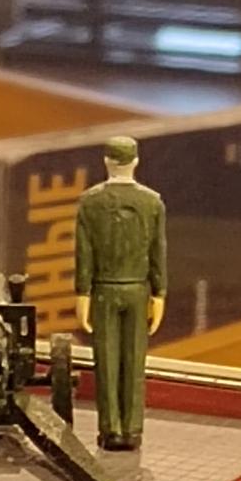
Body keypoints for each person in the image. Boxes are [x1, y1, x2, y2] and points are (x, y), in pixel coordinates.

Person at [74, 136, 166, 451]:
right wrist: (159, 293)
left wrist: (82, 294)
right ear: (136, 162)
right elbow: (158, 252)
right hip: (138, 289)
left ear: (106, 162)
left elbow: (84, 254)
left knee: (106, 360)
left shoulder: (89, 202)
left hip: (103, 290)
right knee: (135, 360)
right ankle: (132, 430)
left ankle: (110, 430)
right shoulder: (153, 202)